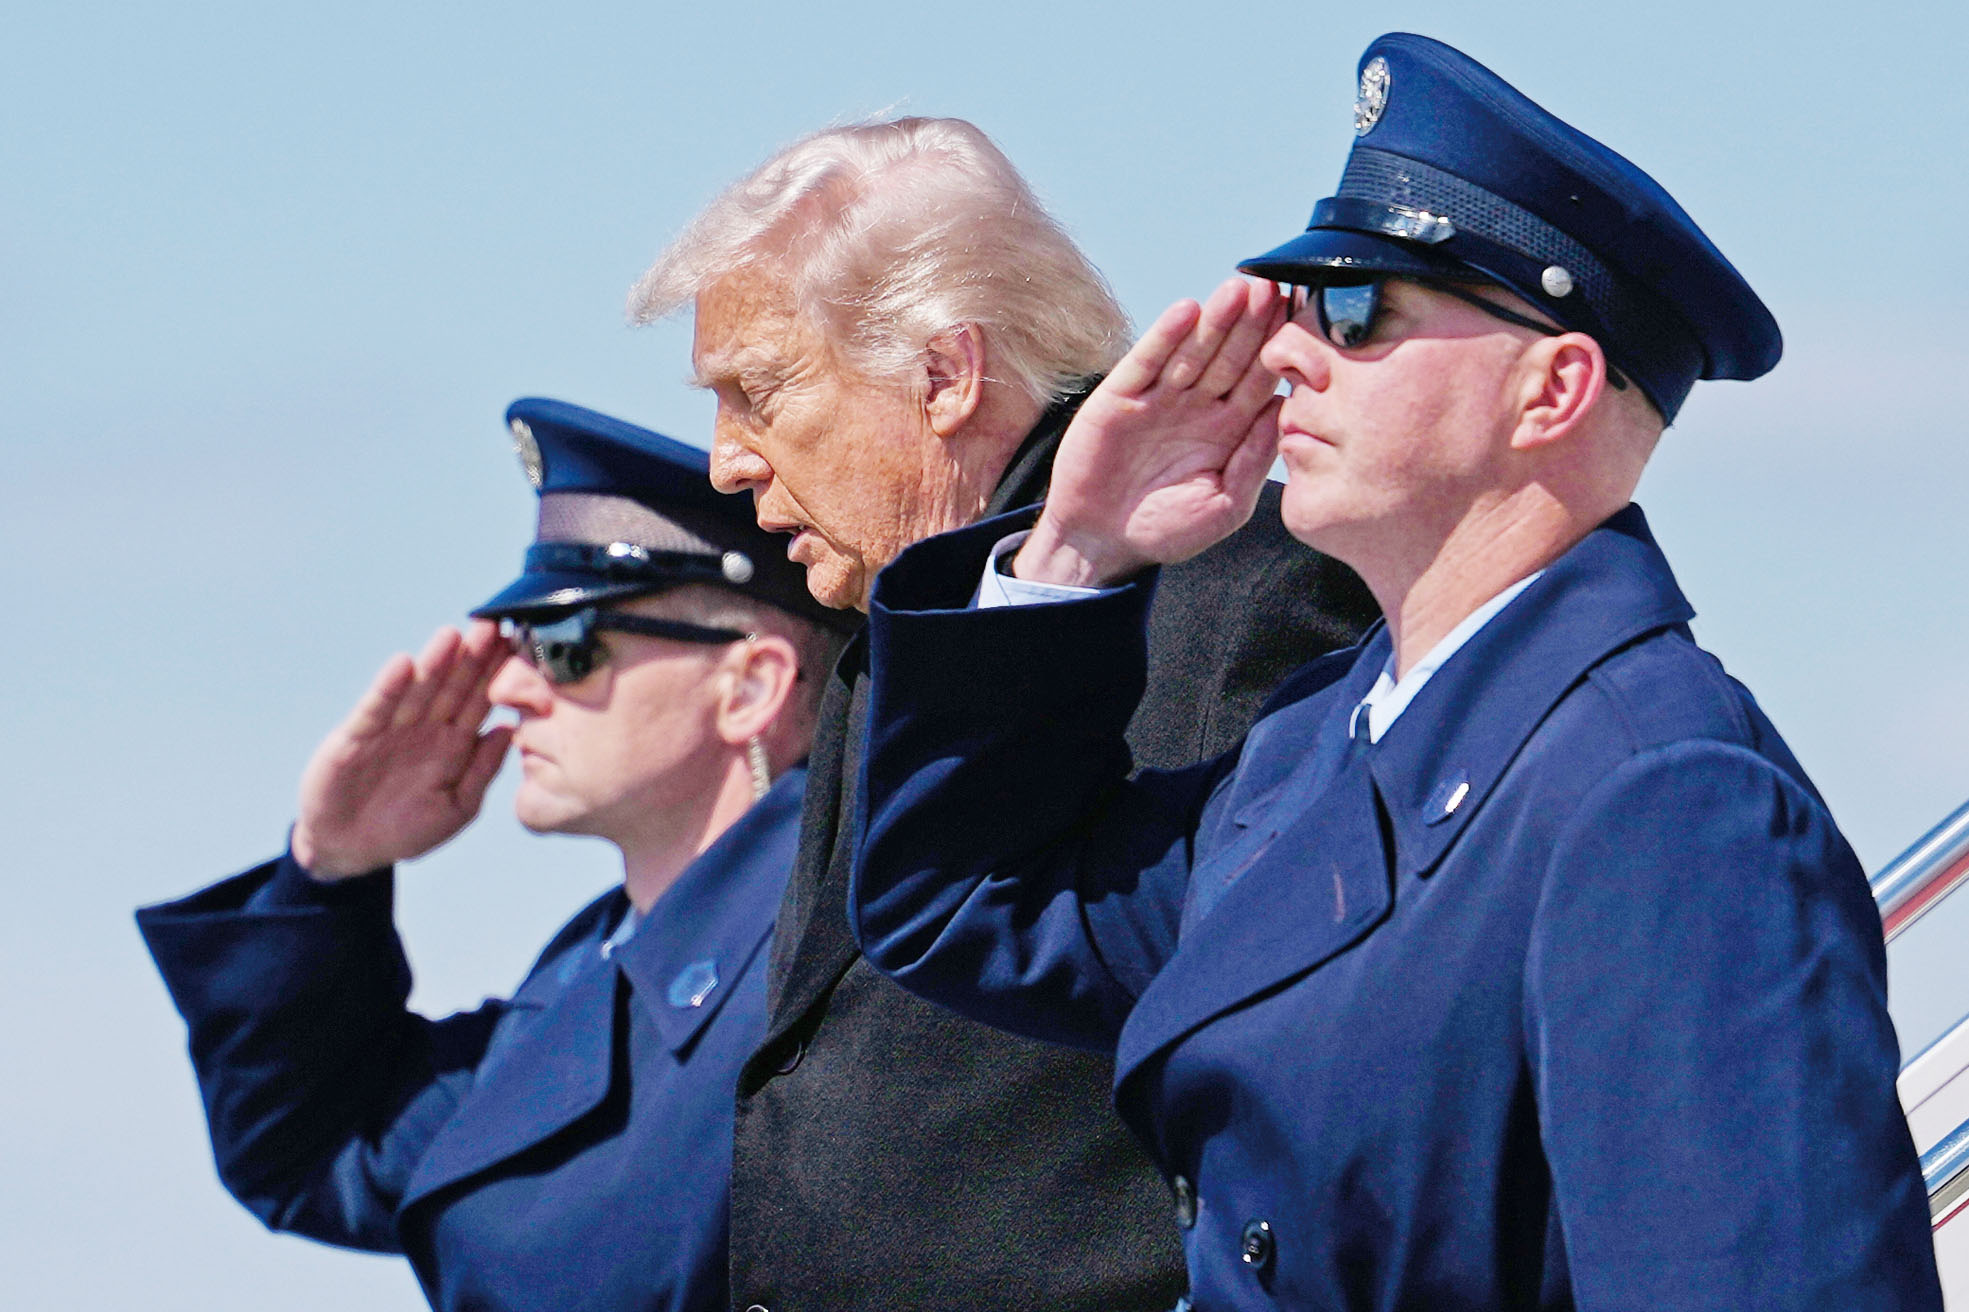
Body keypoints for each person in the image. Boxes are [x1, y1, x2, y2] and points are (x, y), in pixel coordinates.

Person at [850, 34, 1941, 1310]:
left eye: (1358, 312)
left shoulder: (1663, 797)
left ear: (1553, 387)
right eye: (1302, 306)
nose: (1291, 355)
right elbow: (966, 901)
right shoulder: (1317, 747)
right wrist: (1073, 548)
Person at [629, 118, 1378, 1309]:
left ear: (945, 376)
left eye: (761, 393)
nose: (726, 462)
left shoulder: (1249, 589)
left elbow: (1307, 1082)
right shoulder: (892, 636)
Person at [137, 399, 853, 1312]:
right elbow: (315, 1153)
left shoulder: (847, 952)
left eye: (565, 646)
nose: (511, 686)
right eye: (518, 644)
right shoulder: (591, 973)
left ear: (749, 685)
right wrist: (328, 871)